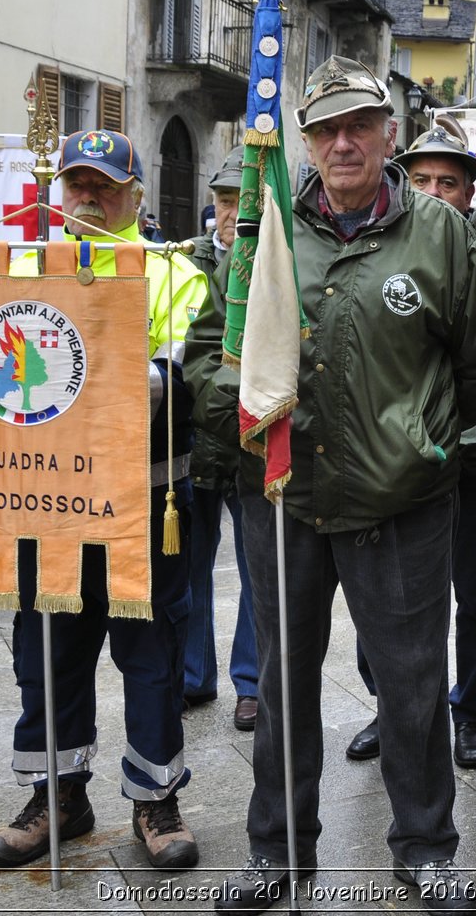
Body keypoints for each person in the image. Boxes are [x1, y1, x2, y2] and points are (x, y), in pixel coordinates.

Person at [185, 56, 476, 913]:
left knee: (409, 684)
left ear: (389, 132)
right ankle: (277, 848)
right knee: (281, 683)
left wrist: (432, 444)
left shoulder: (445, 235)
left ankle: (426, 847)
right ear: (307, 143)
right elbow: (208, 355)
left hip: (399, 503)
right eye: (324, 129)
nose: (343, 142)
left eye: (359, 124)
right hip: (282, 496)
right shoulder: (265, 233)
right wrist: (252, 409)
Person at [0, 129, 209, 872]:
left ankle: (154, 799)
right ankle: (58, 795)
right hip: (47, 503)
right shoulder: (19, 268)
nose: (88, 197)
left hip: (144, 498)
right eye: (77, 183)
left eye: (105, 186)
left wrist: (107, 383)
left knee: (151, 657)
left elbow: (175, 384)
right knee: (47, 651)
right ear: (57, 191)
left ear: (134, 199)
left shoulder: (172, 273)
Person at [345, 119, 476, 770]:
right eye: (423, 180)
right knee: (382, 596)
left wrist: (464, 442)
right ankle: (392, 704)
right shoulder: (378, 248)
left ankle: (470, 711)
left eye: (450, 181)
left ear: (471, 192)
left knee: (475, 592)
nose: (437, 192)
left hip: (468, 461)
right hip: (390, 462)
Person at [184, 148, 259, 732]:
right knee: (190, 565)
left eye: (243, 199)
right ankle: (192, 674)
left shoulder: (277, 264)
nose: (232, 212)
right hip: (194, 437)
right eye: (225, 200)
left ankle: (251, 682)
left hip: (255, 442)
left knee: (258, 566)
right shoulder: (188, 261)